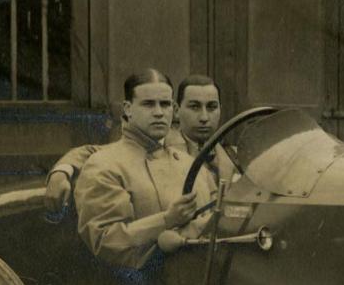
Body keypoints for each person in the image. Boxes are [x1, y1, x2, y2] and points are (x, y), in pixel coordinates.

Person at [72, 69, 215, 269]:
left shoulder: (191, 164)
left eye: (165, 104)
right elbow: (104, 241)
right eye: (148, 104)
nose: (158, 112)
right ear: (128, 109)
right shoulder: (104, 165)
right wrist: (166, 220)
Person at [43, 76, 236, 214]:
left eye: (212, 107)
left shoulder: (233, 156)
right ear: (177, 110)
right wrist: (61, 172)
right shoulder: (158, 142)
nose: (204, 117)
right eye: (194, 107)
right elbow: (94, 153)